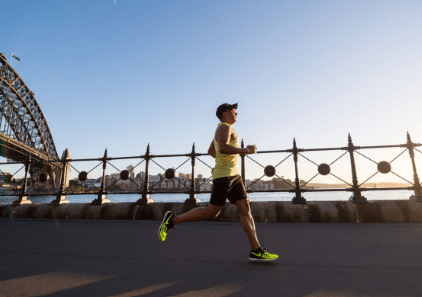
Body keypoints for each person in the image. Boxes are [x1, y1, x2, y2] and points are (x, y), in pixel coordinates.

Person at [158, 103, 278, 261]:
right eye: (233, 111)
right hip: (224, 177)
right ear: (224, 113)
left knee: (245, 208)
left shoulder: (224, 128)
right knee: (211, 212)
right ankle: (171, 220)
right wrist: (245, 151)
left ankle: (256, 250)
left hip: (234, 176)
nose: (236, 114)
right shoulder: (224, 127)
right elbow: (222, 148)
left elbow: (211, 151)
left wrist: (221, 163)